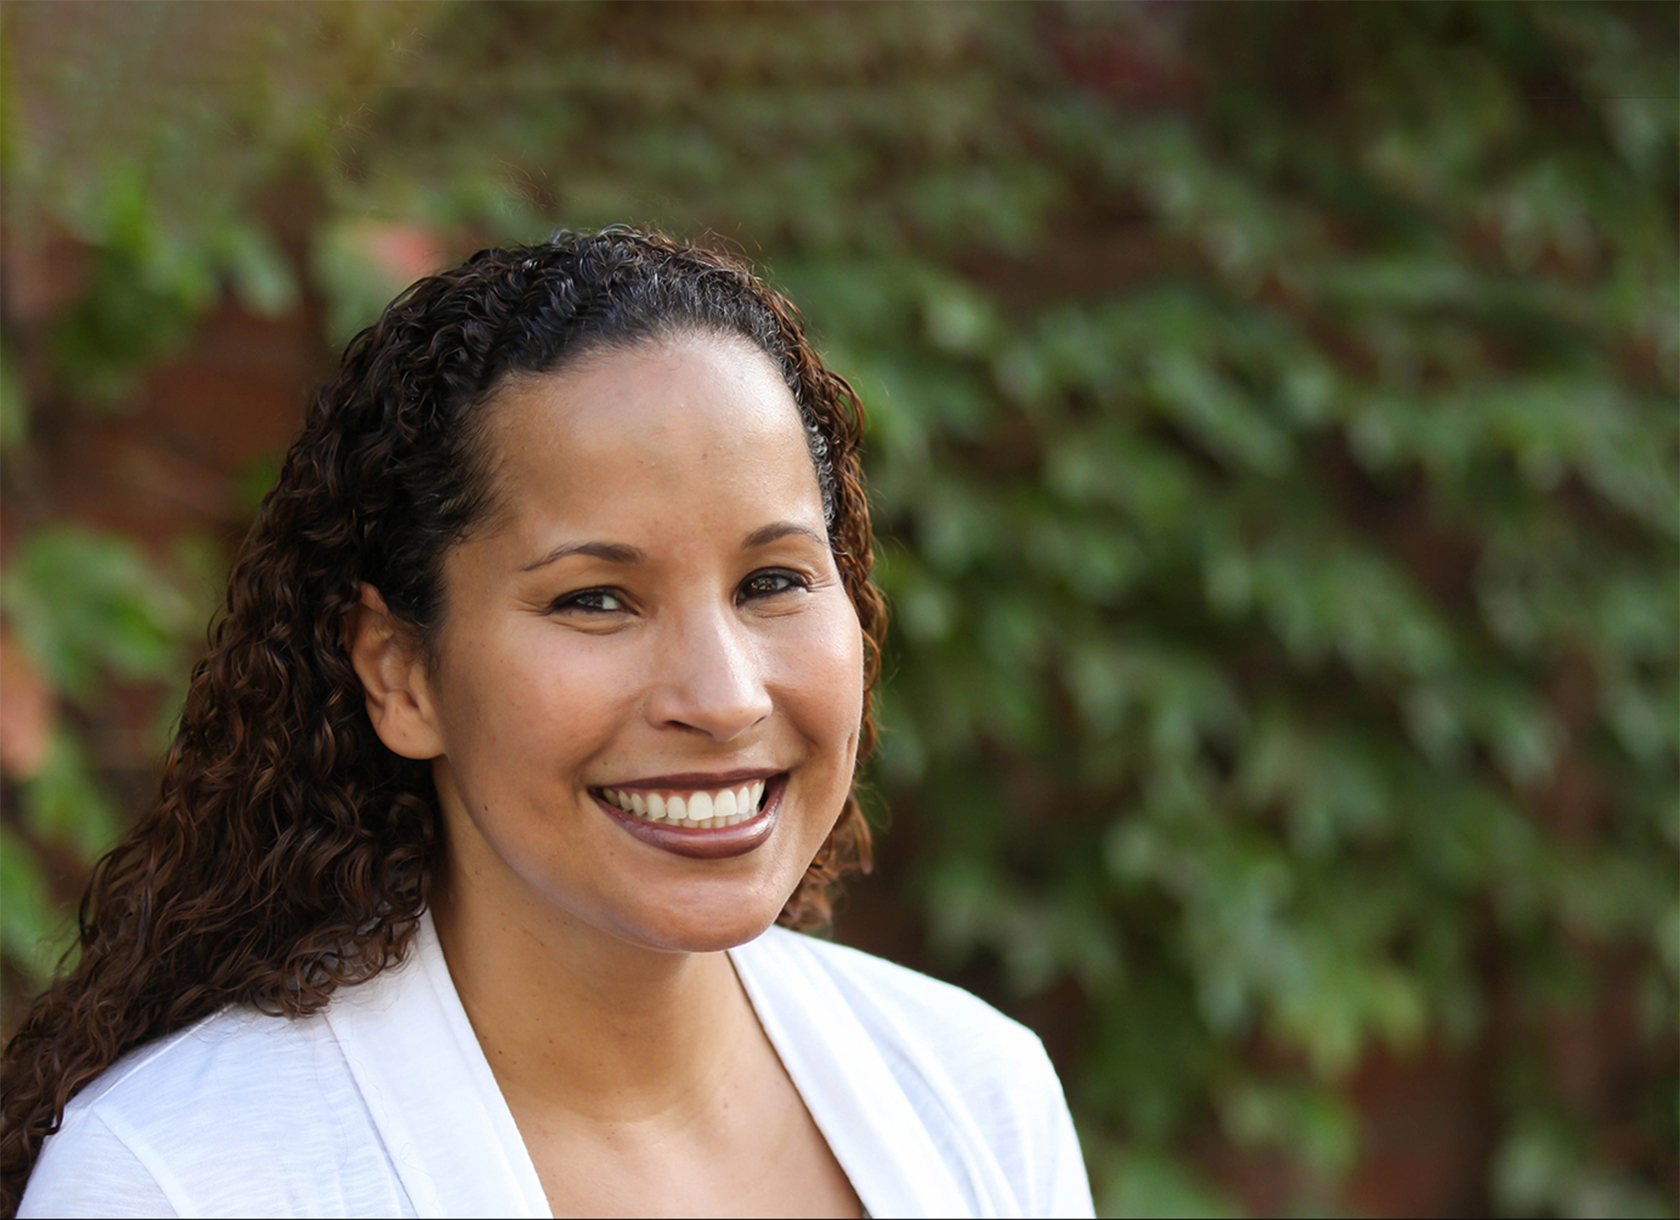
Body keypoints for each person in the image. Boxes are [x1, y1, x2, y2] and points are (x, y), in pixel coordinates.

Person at [2, 228, 1093, 1218]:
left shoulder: (975, 1094)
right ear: (402, 674)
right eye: (595, 599)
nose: (721, 696)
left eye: (772, 580)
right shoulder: (185, 1181)